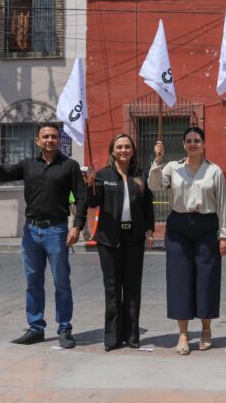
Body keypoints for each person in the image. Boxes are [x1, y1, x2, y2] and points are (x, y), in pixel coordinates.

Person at [0, 122, 86, 348]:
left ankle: (64, 328)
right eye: (45, 136)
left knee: (61, 282)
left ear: (59, 140)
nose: (50, 140)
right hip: (31, 232)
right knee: (33, 282)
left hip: (57, 231)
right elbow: (0, 176)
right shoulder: (27, 165)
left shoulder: (69, 166)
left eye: (53, 136)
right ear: (37, 141)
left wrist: (77, 226)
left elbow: (81, 198)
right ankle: (35, 327)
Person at [148, 126, 226, 355]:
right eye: (189, 141)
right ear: (183, 144)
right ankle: (183, 334)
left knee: (207, 278)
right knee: (179, 279)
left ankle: (206, 329)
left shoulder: (214, 171)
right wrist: (157, 160)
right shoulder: (173, 168)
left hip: (206, 227)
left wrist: (224, 234)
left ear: (204, 144)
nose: (193, 144)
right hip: (178, 228)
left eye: (197, 140)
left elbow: (223, 204)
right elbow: (153, 186)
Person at [85, 134, 155, 351]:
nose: (123, 150)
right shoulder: (103, 175)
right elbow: (93, 203)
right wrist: (89, 185)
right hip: (109, 239)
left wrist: (150, 230)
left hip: (134, 237)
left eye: (127, 147)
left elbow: (147, 205)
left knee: (133, 287)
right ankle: (112, 337)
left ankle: (132, 335)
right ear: (112, 151)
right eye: (119, 147)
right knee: (113, 289)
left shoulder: (141, 175)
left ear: (132, 150)